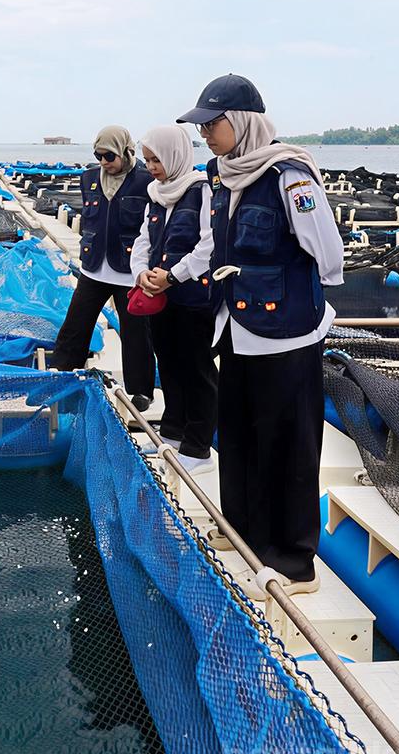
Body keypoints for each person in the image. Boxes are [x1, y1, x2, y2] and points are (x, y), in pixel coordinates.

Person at [178, 73, 344, 598]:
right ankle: (243, 529)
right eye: (201, 126)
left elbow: (328, 253)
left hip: (285, 333)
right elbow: (214, 243)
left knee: (289, 446)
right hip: (237, 327)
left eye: (212, 124)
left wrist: (287, 289)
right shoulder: (221, 176)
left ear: (242, 122)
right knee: (240, 434)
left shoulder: (288, 177)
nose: (205, 134)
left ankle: (295, 562)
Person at [130, 125, 217, 474]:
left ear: (175, 155)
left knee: (196, 369)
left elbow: (209, 244)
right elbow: (144, 240)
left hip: (192, 298)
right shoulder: (155, 194)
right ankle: (173, 434)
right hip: (160, 297)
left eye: (157, 160)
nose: (152, 167)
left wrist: (173, 276)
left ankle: (198, 448)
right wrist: (141, 272)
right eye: (147, 160)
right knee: (167, 364)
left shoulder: (201, 190)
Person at [51, 126, 156, 410]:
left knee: (136, 333)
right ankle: (61, 375)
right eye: (98, 156)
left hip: (129, 270)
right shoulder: (89, 178)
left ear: (125, 152)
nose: (103, 162)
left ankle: (141, 390)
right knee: (76, 324)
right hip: (95, 267)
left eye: (109, 156)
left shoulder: (145, 180)